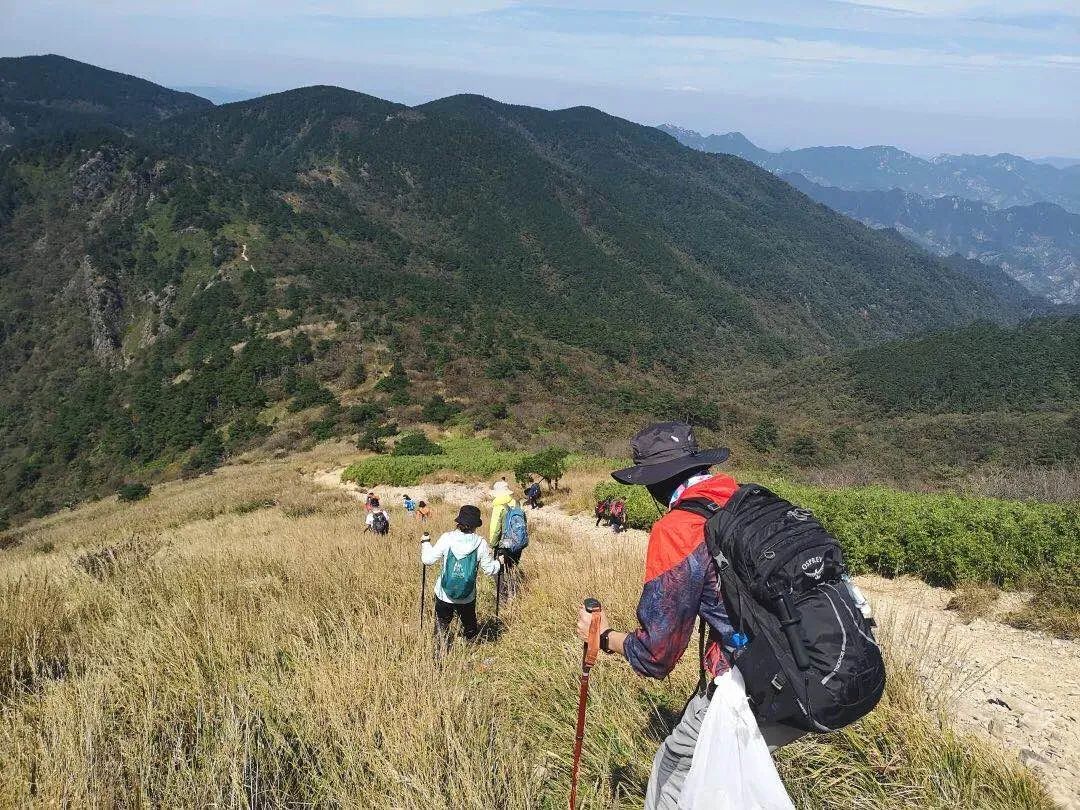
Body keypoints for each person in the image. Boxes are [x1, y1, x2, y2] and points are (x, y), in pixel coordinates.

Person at [573, 422, 805, 810]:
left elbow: (656, 655)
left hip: (754, 679)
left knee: (675, 770)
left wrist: (604, 638)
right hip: (810, 662)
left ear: (652, 484)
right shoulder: (744, 500)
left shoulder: (678, 529)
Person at [421, 505, 500, 654]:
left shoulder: (447, 538)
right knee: (469, 625)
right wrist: (499, 564)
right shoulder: (480, 543)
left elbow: (427, 560)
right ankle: (470, 652)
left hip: (444, 594)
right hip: (467, 595)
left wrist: (425, 543)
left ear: (459, 521)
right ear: (476, 525)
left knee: (442, 623)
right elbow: (489, 570)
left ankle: (439, 654)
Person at [489, 479, 525, 600]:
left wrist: (493, 545)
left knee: (499, 570)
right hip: (517, 542)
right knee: (512, 568)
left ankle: (502, 596)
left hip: (504, 544)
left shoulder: (499, 506)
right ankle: (513, 593)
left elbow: (495, 529)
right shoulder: (516, 503)